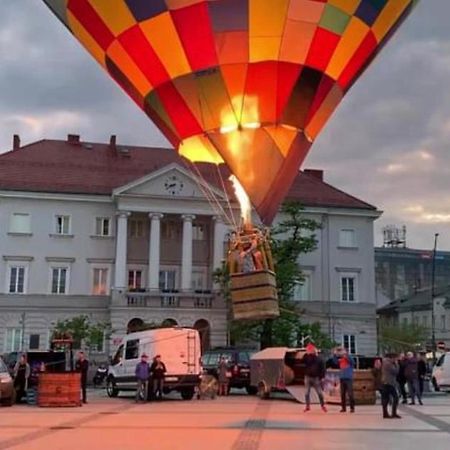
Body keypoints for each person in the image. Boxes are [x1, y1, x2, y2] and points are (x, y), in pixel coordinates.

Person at [301, 343, 327, 413]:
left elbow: (323, 368)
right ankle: (307, 406)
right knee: (306, 393)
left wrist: (322, 377)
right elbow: (303, 361)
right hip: (308, 377)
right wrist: (306, 353)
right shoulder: (307, 357)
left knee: (319, 393)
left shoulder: (319, 358)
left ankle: (322, 405)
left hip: (316, 378)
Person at [333, 347, 355, 413]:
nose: (342, 352)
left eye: (343, 351)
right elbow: (335, 362)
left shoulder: (349, 358)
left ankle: (352, 408)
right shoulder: (341, 359)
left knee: (350, 394)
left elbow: (352, 362)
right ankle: (343, 408)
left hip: (348, 378)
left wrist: (346, 355)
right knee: (342, 394)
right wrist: (334, 354)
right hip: (342, 378)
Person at [381, 353, 401, 419]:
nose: (396, 359)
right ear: (392, 358)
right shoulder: (389, 364)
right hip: (389, 383)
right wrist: (397, 365)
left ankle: (385, 413)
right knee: (395, 398)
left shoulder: (385, 362)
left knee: (385, 398)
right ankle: (393, 413)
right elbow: (395, 371)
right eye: (396, 358)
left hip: (385, 382)